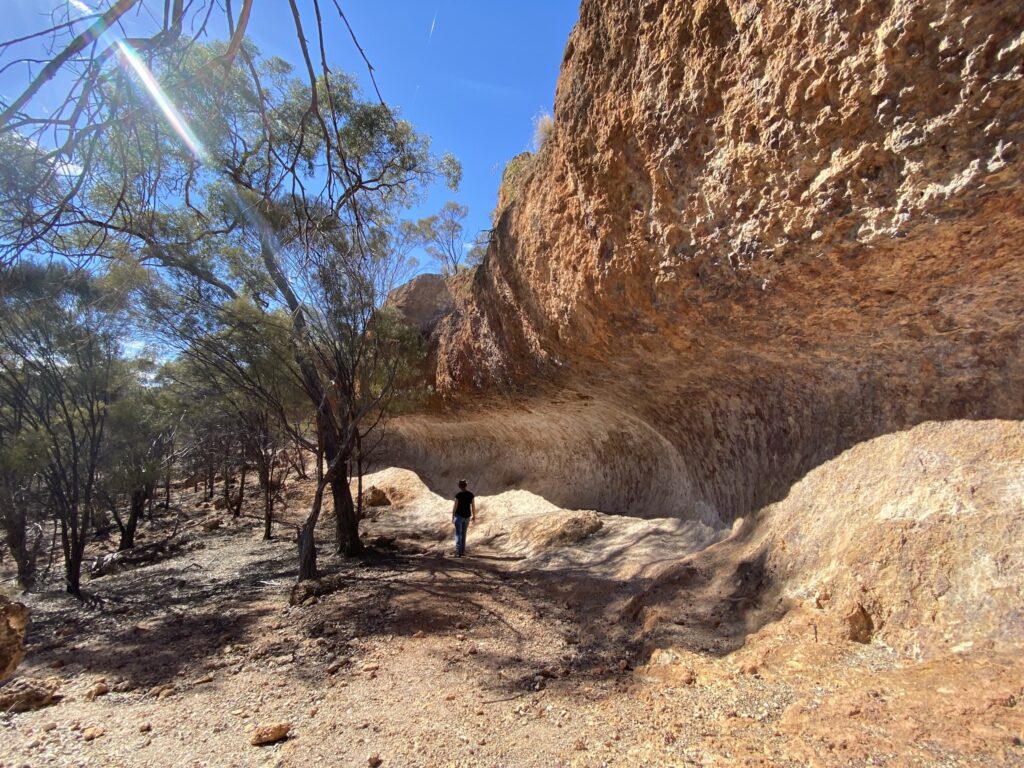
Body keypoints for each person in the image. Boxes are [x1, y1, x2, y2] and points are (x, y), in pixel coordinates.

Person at [451, 479, 475, 557]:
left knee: (458, 534)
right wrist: (474, 516)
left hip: (459, 516)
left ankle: (458, 552)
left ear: (459, 486)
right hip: (467, 516)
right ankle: (463, 551)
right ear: (466, 485)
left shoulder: (458, 495)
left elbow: (455, 506)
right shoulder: (471, 495)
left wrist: (453, 515)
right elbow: (473, 506)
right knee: (463, 534)